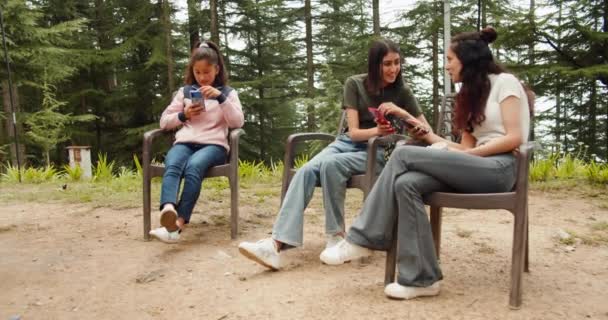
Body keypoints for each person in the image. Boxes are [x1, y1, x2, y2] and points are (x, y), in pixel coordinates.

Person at [319, 27, 531, 300]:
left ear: (467, 60)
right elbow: (464, 147)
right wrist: (426, 134)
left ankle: (363, 238)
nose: (446, 66)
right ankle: (421, 279)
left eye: (449, 60)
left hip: (501, 169)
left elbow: (515, 137)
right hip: (472, 166)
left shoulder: (506, 83)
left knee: (403, 154)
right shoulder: (471, 93)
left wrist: (470, 156)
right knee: (406, 183)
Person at [237, 39, 431, 270]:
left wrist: (405, 120)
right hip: (347, 144)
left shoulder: (402, 92)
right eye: (387, 64)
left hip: (378, 152)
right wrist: (376, 129)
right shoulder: (355, 84)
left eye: (397, 63)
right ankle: (275, 244)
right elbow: (356, 132)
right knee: (306, 171)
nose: (393, 69)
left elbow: (427, 130)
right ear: (374, 65)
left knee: (331, 165)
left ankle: (336, 235)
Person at [149, 40, 244, 243]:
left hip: (214, 146)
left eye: (207, 72)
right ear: (193, 70)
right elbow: (164, 122)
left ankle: (178, 226)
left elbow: (237, 122)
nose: (202, 77)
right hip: (185, 143)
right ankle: (168, 209)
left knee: (193, 167)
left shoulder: (227, 93)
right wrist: (184, 115)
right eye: (198, 72)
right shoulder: (185, 93)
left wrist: (220, 98)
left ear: (216, 69)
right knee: (172, 164)